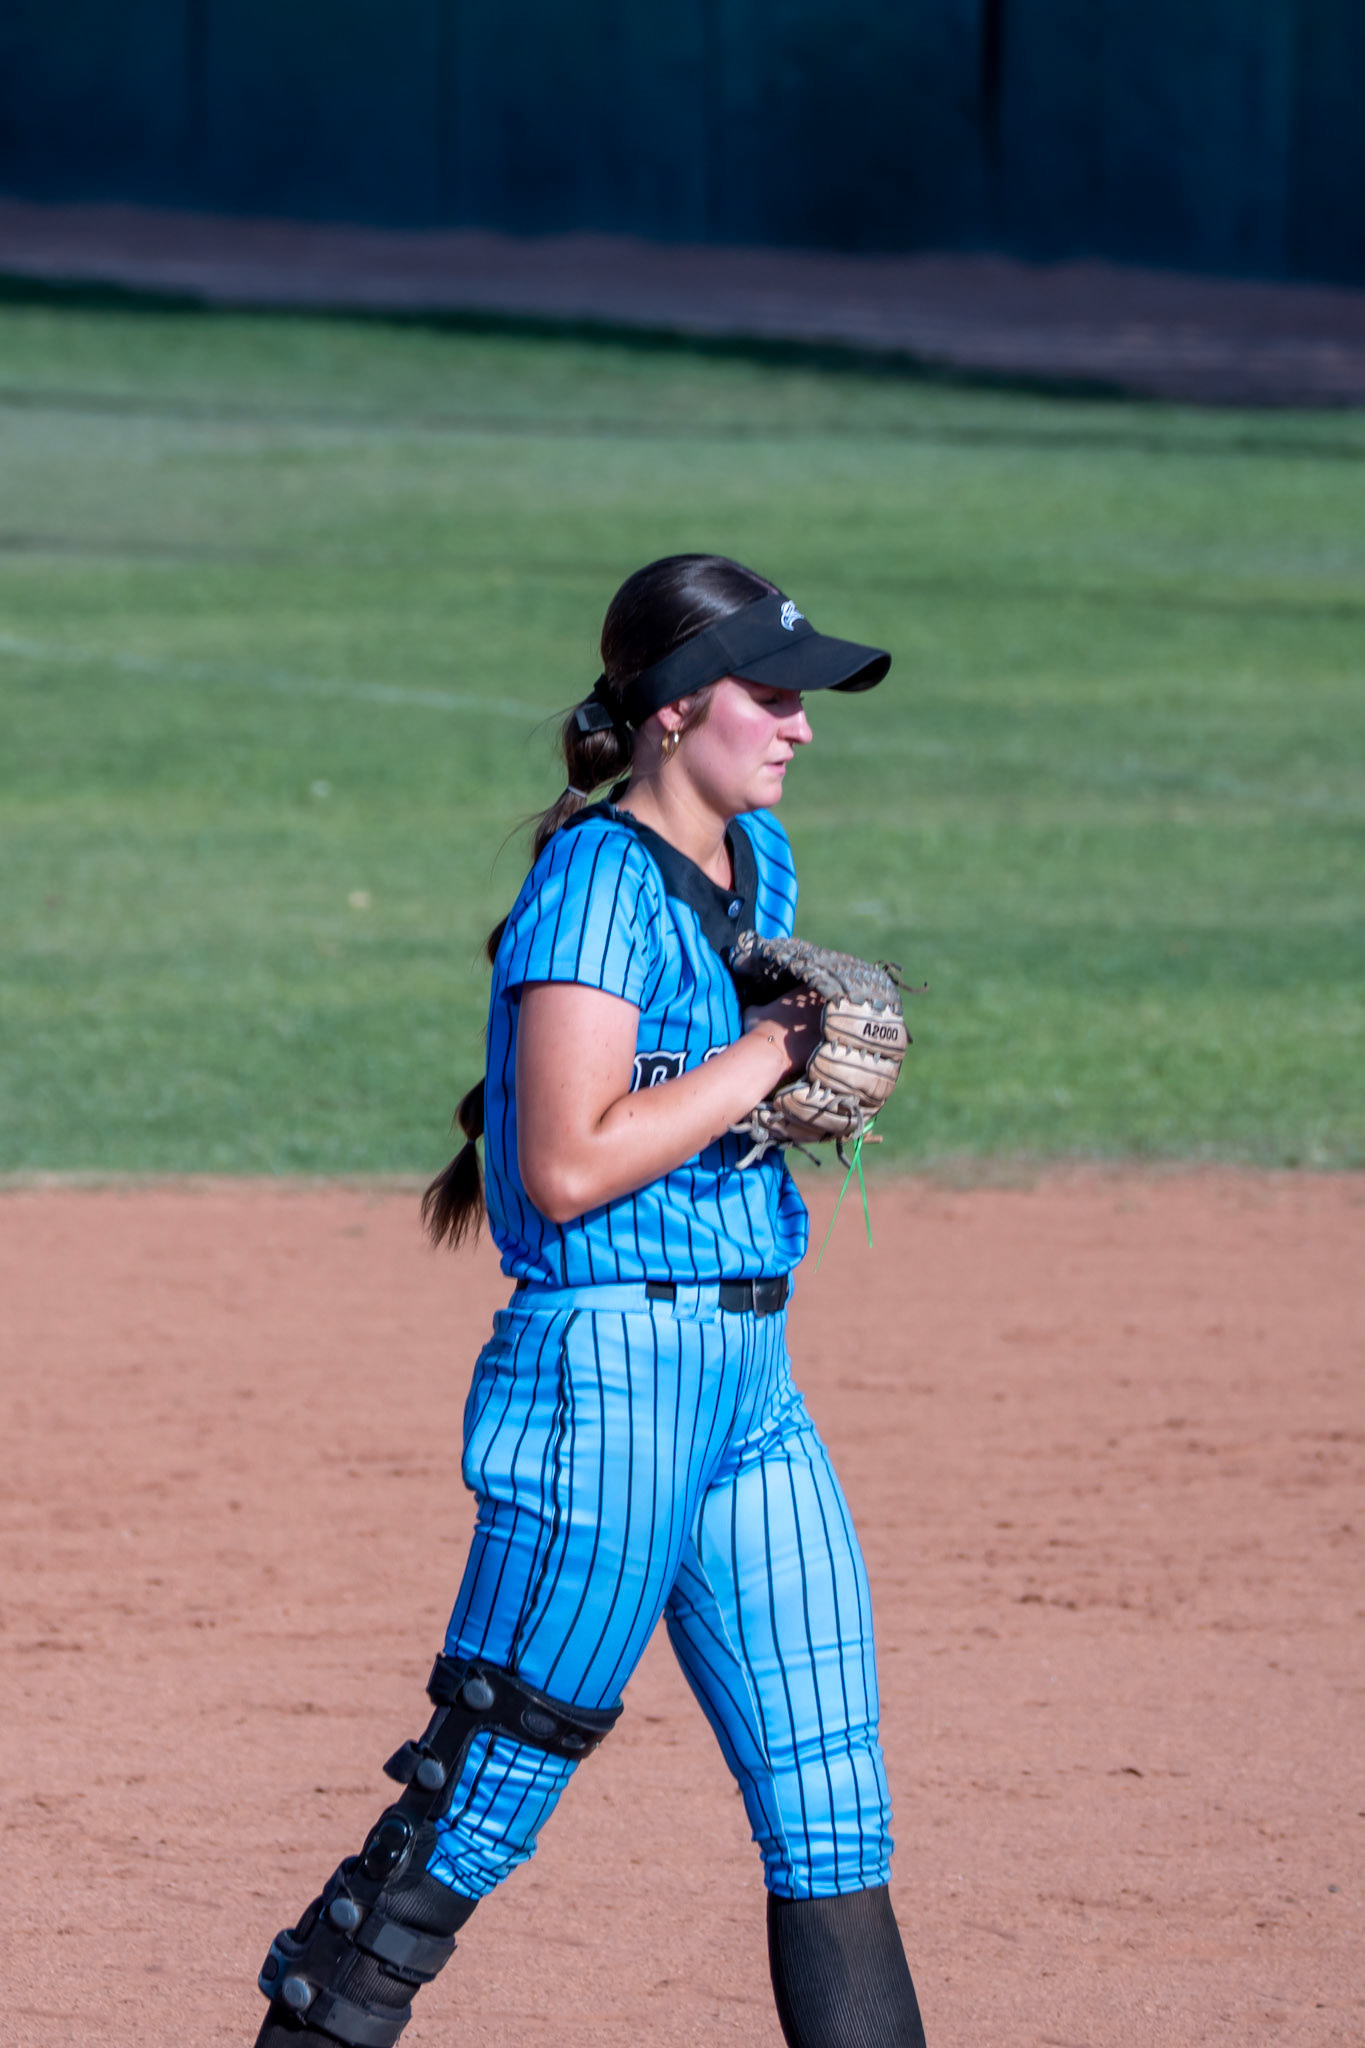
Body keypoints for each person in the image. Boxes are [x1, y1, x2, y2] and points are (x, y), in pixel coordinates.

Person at [253, 554, 927, 2048]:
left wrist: (768, 1075)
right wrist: (767, 1054)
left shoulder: (759, 860)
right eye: (771, 695)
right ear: (674, 710)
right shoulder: (592, 888)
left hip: (749, 1386)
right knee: (479, 1804)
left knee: (834, 1804)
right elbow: (559, 1168)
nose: (802, 725)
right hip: (606, 1387)